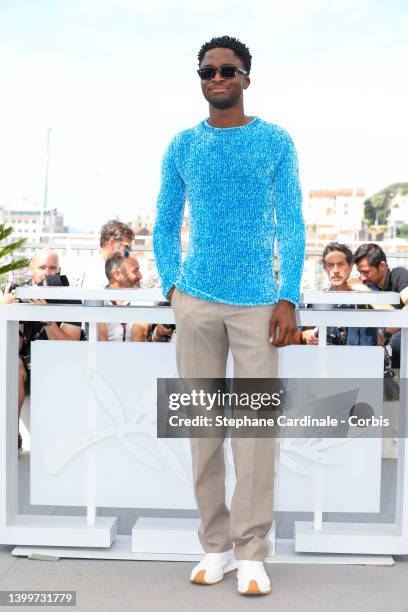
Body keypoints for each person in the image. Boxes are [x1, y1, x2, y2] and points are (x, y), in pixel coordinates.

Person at [153, 35, 305, 596]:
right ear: (200, 78)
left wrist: (288, 294)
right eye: (208, 71)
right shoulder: (182, 146)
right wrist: (173, 286)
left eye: (228, 70)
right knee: (203, 428)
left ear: (247, 76)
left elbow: (291, 221)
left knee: (256, 432)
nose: (217, 78)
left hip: (259, 306)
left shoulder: (275, 142)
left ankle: (252, 553)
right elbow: (165, 223)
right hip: (195, 302)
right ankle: (214, 545)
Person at [16, 249, 82, 453]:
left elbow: (71, 346)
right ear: (31, 270)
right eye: (42, 267)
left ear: (59, 270)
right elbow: (13, 346)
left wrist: (46, 318)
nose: (47, 273)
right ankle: (11, 434)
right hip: (24, 367)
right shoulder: (19, 293)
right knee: (13, 367)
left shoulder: (70, 297)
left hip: (58, 364)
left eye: (52, 268)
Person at [301, 243, 378, 346]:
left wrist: (362, 289)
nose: (336, 270)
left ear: (351, 266)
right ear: (325, 268)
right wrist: (305, 335)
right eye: (330, 265)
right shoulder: (318, 299)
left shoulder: (366, 293)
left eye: (341, 264)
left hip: (362, 359)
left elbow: (392, 316)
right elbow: (307, 333)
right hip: (326, 359)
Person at [353, 243, 408, 368]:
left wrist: (385, 334)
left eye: (366, 272)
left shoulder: (398, 275)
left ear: (382, 266)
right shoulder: (365, 285)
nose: (362, 278)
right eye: (359, 272)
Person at [98, 253, 146, 341]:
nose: (140, 276)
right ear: (117, 274)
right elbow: (102, 342)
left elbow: (138, 339)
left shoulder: (140, 301)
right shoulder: (99, 301)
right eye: (135, 271)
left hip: (134, 353)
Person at [81, 220, 135, 288]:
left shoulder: (101, 264)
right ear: (112, 243)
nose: (129, 251)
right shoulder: (97, 272)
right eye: (126, 246)